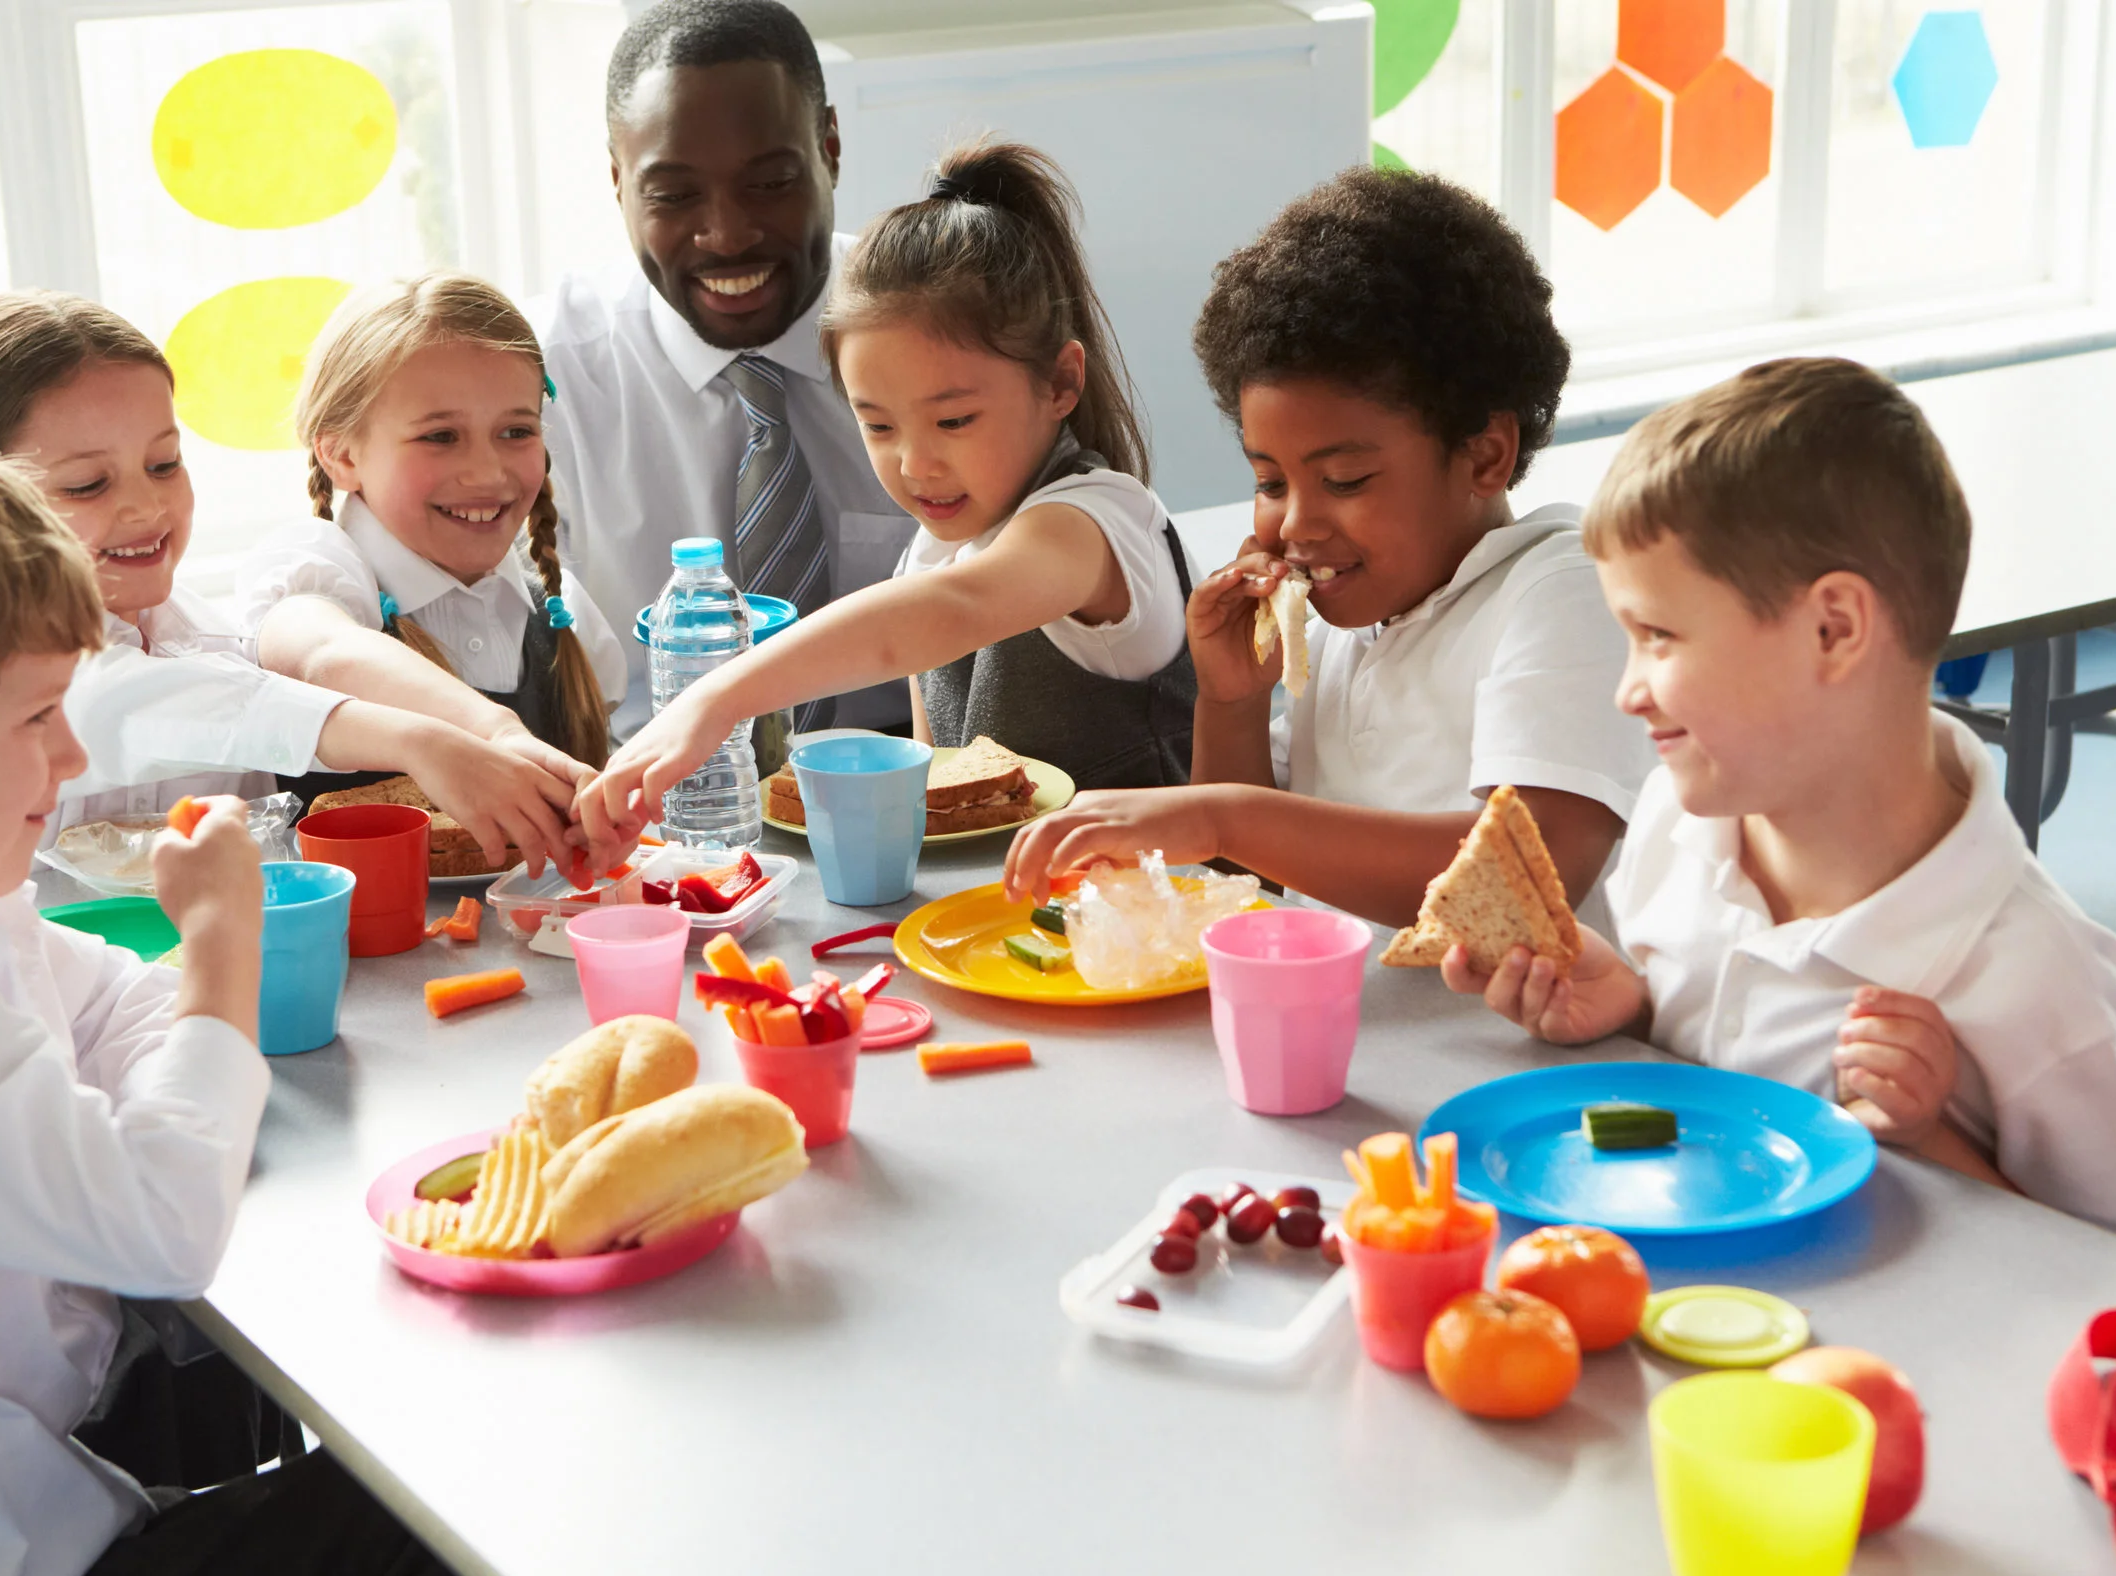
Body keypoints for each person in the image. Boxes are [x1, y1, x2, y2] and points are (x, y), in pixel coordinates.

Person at [0, 415, 488, 1576]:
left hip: (39, 1522)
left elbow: (112, 998)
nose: (74, 753)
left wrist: (180, 1017)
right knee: (459, 1503)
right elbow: (158, 1222)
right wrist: (218, 942)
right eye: (38, 716)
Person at [1447, 358, 2116, 1255]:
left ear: (1834, 629)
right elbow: (1713, 1117)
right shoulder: (1674, 833)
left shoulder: (2050, 984)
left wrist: (1937, 1144)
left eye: (1659, 637)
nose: (1627, 691)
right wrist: (1635, 1015)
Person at [1002, 168, 1652, 926]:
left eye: (1345, 479)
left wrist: (1223, 815)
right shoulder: (1352, 626)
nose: (1296, 525)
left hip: (1525, 1048)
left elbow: (1520, 880)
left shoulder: (1564, 590)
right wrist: (1234, 700)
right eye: (1270, 480)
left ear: (1484, 456)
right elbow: (1243, 885)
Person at [584, 140, 1198, 839]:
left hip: (1147, 922)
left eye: (954, 419)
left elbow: (950, 611)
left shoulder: (1096, 520)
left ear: (1060, 383)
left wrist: (718, 698)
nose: (915, 463)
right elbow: (937, 796)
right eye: (876, 425)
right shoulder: (932, 553)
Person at [0, 291, 580, 872]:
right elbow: (173, 705)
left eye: (164, 464)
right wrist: (422, 739)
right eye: (90, 483)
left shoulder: (203, 633)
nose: (146, 507)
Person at [536, 0, 916, 733]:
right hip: (650, 791)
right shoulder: (540, 378)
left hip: (922, 775)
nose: (728, 234)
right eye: (674, 196)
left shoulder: (939, 335)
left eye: (770, 183)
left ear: (829, 147)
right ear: (618, 182)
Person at [237, 272, 626, 776]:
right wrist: (495, 732)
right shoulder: (312, 571)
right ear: (340, 454)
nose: (488, 472)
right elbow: (320, 653)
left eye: (516, 430)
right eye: (441, 436)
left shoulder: (563, 613)